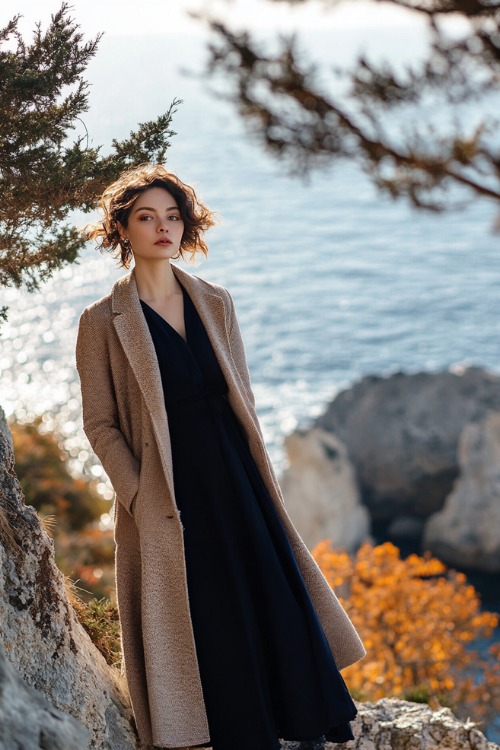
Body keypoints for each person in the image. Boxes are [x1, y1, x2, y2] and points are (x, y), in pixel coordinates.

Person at [76, 164, 366, 750]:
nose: (163, 227)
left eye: (173, 216)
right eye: (146, 217)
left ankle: (304, 722)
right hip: (168, 492)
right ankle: (236, 732)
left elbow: (244, 398)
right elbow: (100, 424)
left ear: (186, 226)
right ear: (122, 230)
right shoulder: (100, 323)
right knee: (208, 616)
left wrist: (260, 475)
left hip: (237, 479)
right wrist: (138, 492)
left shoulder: (215, 301)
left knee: (269, 594)